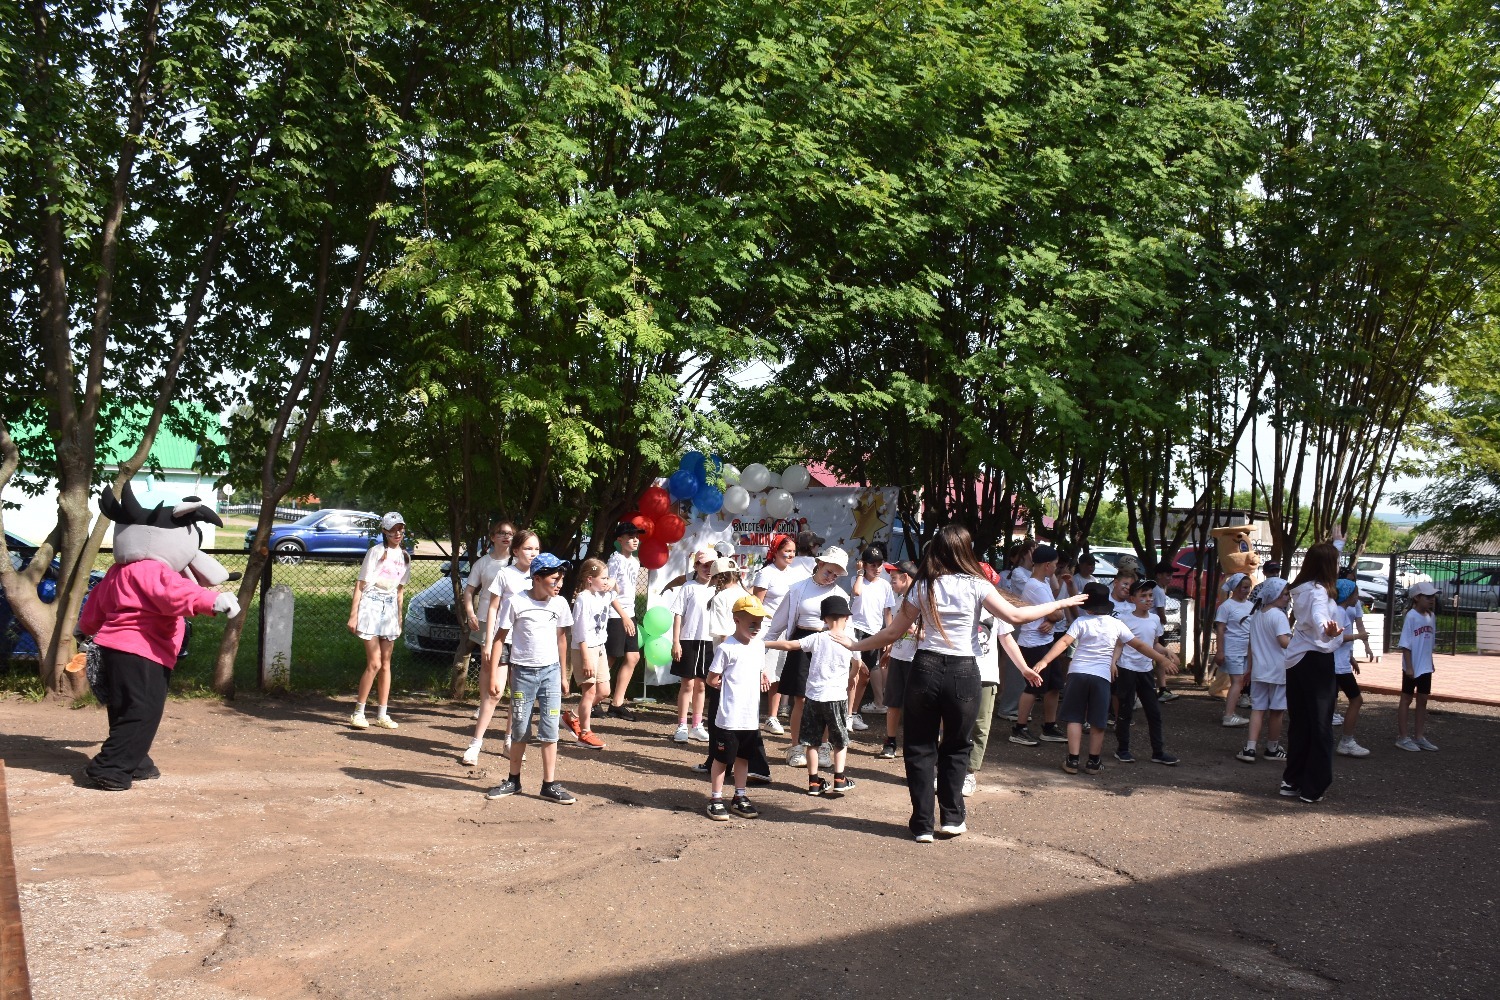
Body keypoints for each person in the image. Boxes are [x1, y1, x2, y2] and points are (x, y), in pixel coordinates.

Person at [846, 525, 1083, 842]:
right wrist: (1060, 603)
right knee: (957, 746)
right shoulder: (977, 585)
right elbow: (1016, 617)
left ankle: (922, 824)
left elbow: (892, 633)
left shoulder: (923, 585)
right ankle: (953, 818)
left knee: (919, 747)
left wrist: (854, 645)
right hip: (964, 672)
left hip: (925, 668)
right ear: (966, 550)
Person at [1033, 583, 1178, 775]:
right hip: (1101, 676)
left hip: (1078, 673)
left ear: (1087, 606)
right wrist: (1161, 659)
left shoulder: (1081, 622)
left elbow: (1065, 642)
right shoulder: (1116, 624)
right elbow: (1140, 645)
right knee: (1098, 720)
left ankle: (1073, 760)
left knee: (1075, 718)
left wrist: (1044, 661)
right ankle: (1093, 761)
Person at [484, 553, 576, 804]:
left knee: (550, 728)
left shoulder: (560, 604)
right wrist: (493, 676)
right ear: (536, 578)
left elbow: (562, 639)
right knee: (520, 728)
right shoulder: (516, 602)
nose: (559, 584)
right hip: (522, 674)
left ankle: (549, 784)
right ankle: (513, 781)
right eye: (554, 579)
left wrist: (564, 675)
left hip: (551, 673)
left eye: (561, 579)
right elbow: (499, 639)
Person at [764, 547, 851, 768]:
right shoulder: (797, 589)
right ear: (820, 564)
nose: (831, 577)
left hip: (828, 644)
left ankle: (823, 747)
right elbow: (777, 624)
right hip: (801, 643)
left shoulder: (841, 595)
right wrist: (761, 650)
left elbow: (847, 630)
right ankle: (795, 748)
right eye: (828, 571)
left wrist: (855, 656)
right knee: (801, 699)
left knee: (825, 700)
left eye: (836, 575)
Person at [767, 595, 860, 796]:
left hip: (814, 696)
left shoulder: (817, 638)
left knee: (811, 741)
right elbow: (858, 663)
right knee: (840, 740)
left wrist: (765, 643)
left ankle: (814, 782)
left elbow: (790, 645)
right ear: (846, 617)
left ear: (824, 618)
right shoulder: (850, 641)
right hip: (836, 697)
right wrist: (851, 676)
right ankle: (839, 779)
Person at [1280, 534, 1345, 804]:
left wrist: (1337, 544)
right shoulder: (1318, 591)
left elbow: (1325, 558)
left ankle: (1292, 780)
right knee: (1320, 725)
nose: (1339, 566)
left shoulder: (1304, 587)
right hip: (1316, 660)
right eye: (1336, 562)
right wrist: (1326, 630)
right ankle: (1312, 787)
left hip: (1297, 661)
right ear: (1327, 566)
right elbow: (1319, 615)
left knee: (1301, 723)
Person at [468, 529, 539, 760]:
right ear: (516, 551)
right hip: (504, 640)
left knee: (518, 696)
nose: (533, 553)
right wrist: (489, 642)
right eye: (528, 548)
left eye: (536, 549)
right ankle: (475, 744)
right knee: (494, 692)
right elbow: (492, 608)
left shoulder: (540, 576)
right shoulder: (505, 574)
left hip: (526, 644)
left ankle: (509, 742)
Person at [705, 596, 776, 820]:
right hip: (729, 717)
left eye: (760, 623)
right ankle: (716, 799)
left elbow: (758, 669)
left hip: (750, 717)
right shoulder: (726, 648)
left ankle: (739, 796)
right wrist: (724, 687)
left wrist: (762, 675)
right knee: (722, 759)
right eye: (752, 623)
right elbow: (711, 678)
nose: (757, 627)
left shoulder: (758, 646)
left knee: (743, 758)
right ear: (736, 620)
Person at [558, 558, 630, 752]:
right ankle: (584, 733)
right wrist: (586, 658)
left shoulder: (603, 594)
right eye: (603, 578)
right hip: (585, 648)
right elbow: (579, 631)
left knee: (604, 691)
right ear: (590, 579)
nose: (607, 581)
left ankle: (572, 717)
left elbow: (618, 590)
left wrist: (610, 582)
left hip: (599, 647)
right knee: (589, 692)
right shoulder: (583, 598)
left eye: (607, 577)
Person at [348, 512, 411, 730]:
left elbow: (400, 590)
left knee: (386, 664)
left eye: (400, 529)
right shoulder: (375, 552)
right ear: (385, 531)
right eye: (393, 529)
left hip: (390, 609)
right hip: (371, 605)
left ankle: (382, 714)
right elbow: (360, 584)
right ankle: (358, 712)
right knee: (374, 663)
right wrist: (354, 615)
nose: (397, 533)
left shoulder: (405, 556)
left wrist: (399, 617)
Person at [966, 586, 1029, 795]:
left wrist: (1024, 668)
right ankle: (945, 766)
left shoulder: (996, 609)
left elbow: (1007, 639)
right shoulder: (960, 602)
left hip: (986, 675)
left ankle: (969, 771)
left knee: (980, 725)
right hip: (958, 671)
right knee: (950, 721)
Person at [1113, 579, 1180, 765]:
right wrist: (1113, 663)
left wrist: (1167, 652)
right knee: (1125, 711)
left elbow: (1154, 644)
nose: (1149, 599)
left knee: (1154, 712)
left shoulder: (1155, 619)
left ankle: (1158, 752)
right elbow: (1119, 645)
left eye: (1150, 595)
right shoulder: (1124, 619)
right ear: (1132, 599)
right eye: (1143, 596)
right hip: (1127, 669)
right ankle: (1122, 749)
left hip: (1146, 670)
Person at [1010, 545, 1068, 747]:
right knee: (1034, 686)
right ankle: (1019, 728)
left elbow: (1055, 612)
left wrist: (1052, 619)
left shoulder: (1043, 583)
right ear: (1047, 565)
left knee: (1054, 685)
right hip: (1033, 643)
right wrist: (1054, 617)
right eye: (1055, 564)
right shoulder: (1035, 586)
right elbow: (1056, 613)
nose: (1057, 568)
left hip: (1045, 641)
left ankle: (1049, 726)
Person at [751, 533, 810, 733]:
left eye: (793, 551)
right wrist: (754, 632)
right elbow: (756, 605)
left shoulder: (795, 575)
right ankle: (749, 715)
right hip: (766, 631)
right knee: (759, 674)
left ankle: (772, 717)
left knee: (777, 675)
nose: (791, 555)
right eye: (787, 551)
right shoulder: (765, 574)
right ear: (776, 552)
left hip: (786, 632)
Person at [1237, 578, 1290, 763]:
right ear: (1274, 594)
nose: (1287, 597)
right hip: (1278, 670)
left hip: (1259, 670)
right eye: (1285, 594)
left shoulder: (1257, 615)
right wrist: (1301, 642)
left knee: (1258, 709)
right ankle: (1272, 748)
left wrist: (1249, 668)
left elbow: (1252, 645)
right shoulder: (1279, 616)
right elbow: (1284, 642)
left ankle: (1250, 748)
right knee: (1277, 710)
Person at [670, 548, 719, 743]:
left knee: (701, 685)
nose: (708, 570)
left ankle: (697, 725)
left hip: (710, 642)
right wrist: (676, 642)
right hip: (688, 640)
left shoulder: (719, 589)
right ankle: (682, 725)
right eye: (704, 565)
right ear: (696, 566)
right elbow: (678, 615)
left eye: (712, 566)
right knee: (687, 684)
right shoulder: (688, 587)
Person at [600, 522, 642, 721]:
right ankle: (594, 698)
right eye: (630, 536)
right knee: (610, 657)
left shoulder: (635, 562)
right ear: (620, 539)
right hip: (615, 614)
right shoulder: (615, 560)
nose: (635, 540)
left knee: (633, 657)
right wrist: (623, 616)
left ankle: (616, 704)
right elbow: (609, 591)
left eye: (636, 536)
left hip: (629, 613)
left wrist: (628, 615)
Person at [849, 545, 894, 731]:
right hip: (855, 630)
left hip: (874, 633)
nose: (876, 568)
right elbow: (857, 592)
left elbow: (888, 613)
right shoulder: (857, 579)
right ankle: (847, 713)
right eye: (872, 565)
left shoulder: (885, 585)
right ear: (864, 565)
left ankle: (853, 713)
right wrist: (860, 573)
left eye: (879, 564)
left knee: (866, 676)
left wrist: (889, 638)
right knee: (854, 673)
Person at [877, 560, 918, 760]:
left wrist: (913, 629)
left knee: (916, 705)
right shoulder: (899, 601)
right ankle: (890, 741)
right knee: (893, 702)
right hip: (898, 657)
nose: (891, 582)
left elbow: (929, 634)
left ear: (906, 577)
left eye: (894, 578)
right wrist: (890, 650)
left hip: (916, 660)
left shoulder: (923, 600)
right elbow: (896, 630)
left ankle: (916, 743)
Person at [462, 520, 514, 672]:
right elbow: (468, 591)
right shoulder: (482, 563)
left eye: (510, 533)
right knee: (488, 664)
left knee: (513, 667)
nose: (506, 536)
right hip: (486, 618)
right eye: (502, 533)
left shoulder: (518, 562)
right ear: (492, 537)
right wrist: (471, 615)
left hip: (512, 619)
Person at [1396, 581, 1440, 752]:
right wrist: (1409, 666)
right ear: (1416, 597)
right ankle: (1403, 737)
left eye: (1433, 596)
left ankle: (1419, 736)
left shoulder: (1431, 616)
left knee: (1423, 700)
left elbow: (1429, 642)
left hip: (1425, 666)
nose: (1432, 599)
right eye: (1428, 597)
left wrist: (1431, 662)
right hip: (1412, 666)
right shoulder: (1411, 616)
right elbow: (1405, 644)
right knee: (1406, 699)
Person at [1332, 580, 1371, 757]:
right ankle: (1346, 741)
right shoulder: (1340, 612)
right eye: (1355, 594)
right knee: (1356, 700)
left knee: (1330, 703)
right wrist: (1358, 636)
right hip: (1339, 667)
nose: (1357, 598)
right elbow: (1337, 638)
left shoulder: (1338, 611)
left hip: (1339, 663)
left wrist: (1351, 658)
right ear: (1347, 595)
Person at [1215, 573, 1254, 727]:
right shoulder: (1226, 606)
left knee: (1239, 682)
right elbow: (1220, 629)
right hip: (1232, 649)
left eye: (1249, 587)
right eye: (1244, 587)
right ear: (1235, 588)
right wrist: (1220, 651)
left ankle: (1231, 713)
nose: (1247, 590)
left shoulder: (1250, 605)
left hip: (1246, 649)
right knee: (1237, 682)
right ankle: (1228, 716)